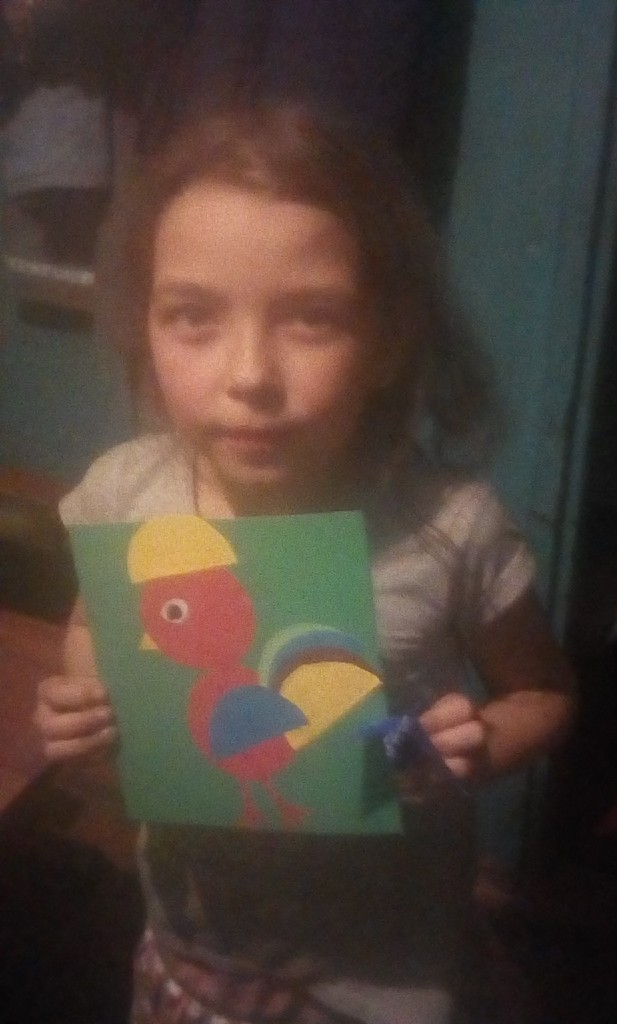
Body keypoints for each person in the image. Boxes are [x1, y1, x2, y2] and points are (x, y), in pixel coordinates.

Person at [34, 101, 575, 1024]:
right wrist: (89, 698)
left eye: (313, 319)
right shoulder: (124, 496)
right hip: (193, 947)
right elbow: (92, 622)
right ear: (144, 325)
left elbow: (546, 693)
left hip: (384, 975)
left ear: (388, 338)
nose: (250, 375)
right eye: (192, 317)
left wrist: (476, 744)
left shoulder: (449, 528)